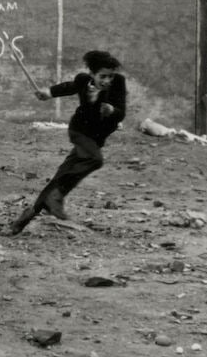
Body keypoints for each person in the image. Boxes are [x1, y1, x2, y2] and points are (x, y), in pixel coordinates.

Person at [10, 50, 126, 234]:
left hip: (97, 138)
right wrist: (47, 93)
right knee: (95, 160)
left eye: (110, 77)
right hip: (79, 132)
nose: (107, 81)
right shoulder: (82, 80)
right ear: (92, 74)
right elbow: (67, 87)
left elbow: (122, 110)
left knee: (61, 175)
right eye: (102, 76)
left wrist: (112, 110)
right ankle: (56, 196)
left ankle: (26, 217)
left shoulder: (118, 83)